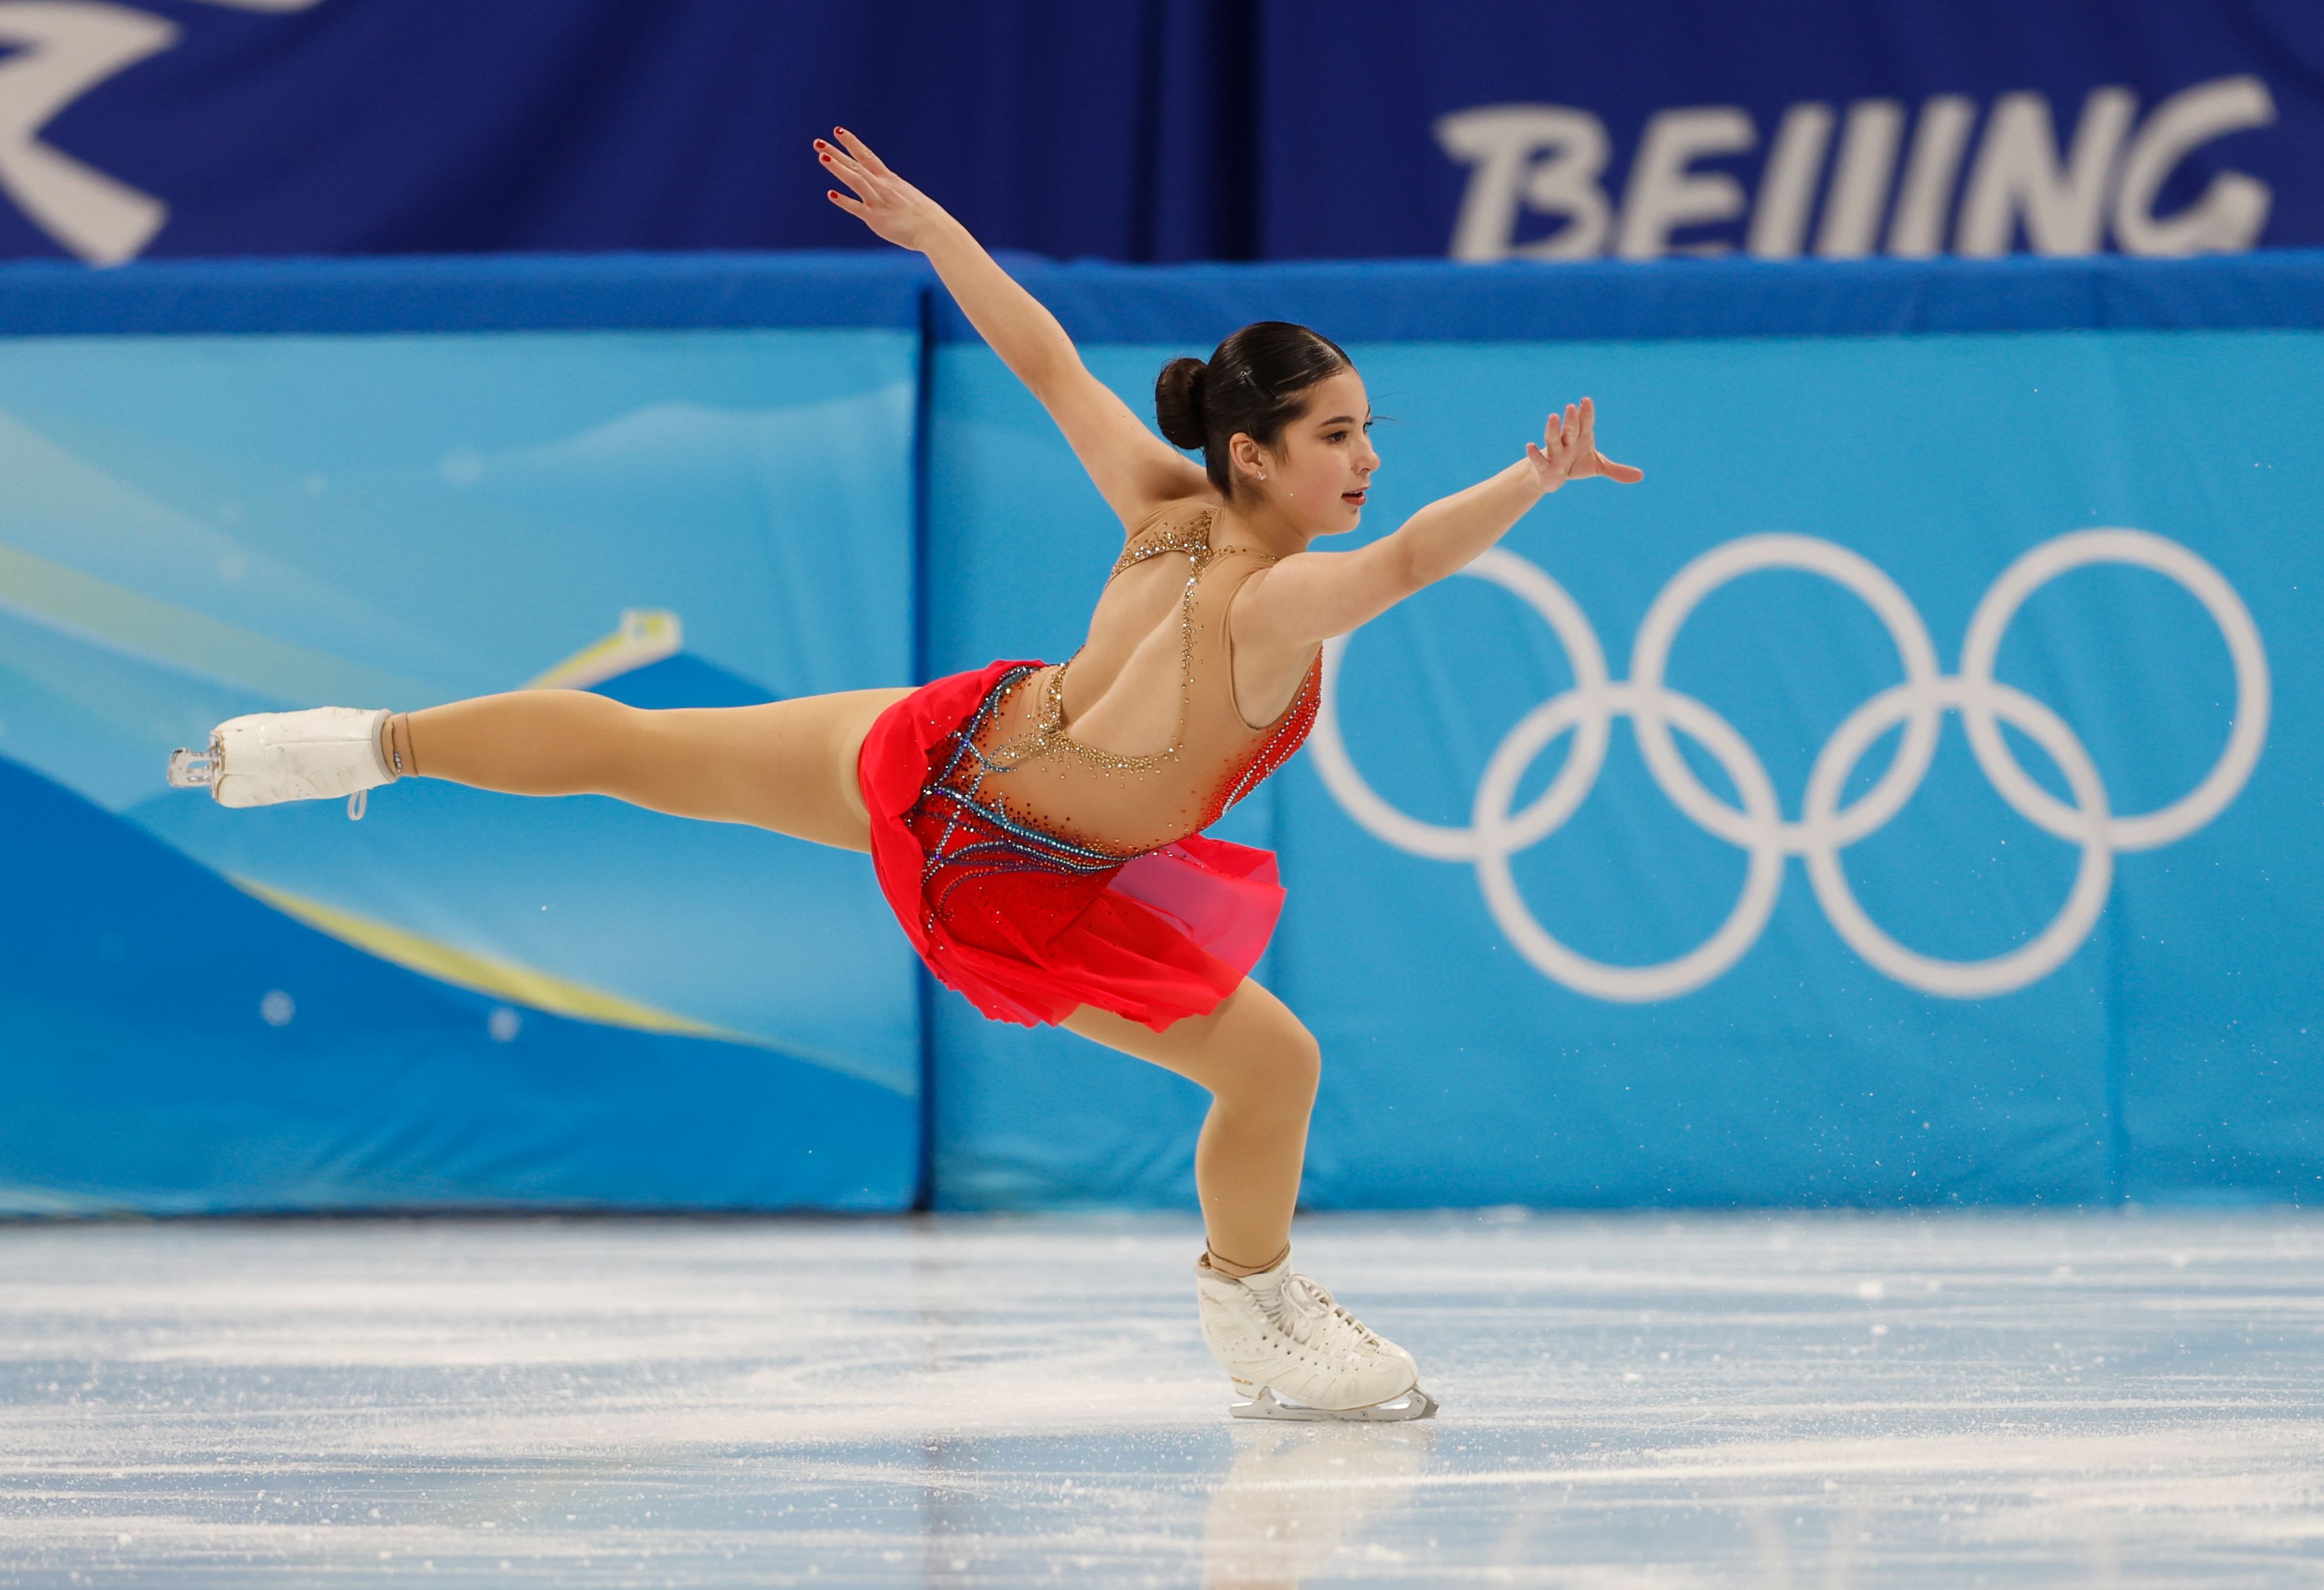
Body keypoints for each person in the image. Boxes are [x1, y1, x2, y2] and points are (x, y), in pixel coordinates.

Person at [168, 128, 1640, 1422]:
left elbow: (1049, 361)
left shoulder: (1162, 506)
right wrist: (1532, 480)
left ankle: (349, 745)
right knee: (1277, 1068)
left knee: (643, 747)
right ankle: (1253, 1317)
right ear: (1252, 456)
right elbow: (1403, 562)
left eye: (1370, 431)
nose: (1366, 456)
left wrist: (942, 238)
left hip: (949, 756)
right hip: (1020, 879)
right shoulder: (1266, 598)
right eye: (1339, 436)